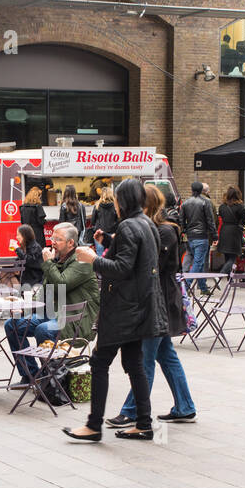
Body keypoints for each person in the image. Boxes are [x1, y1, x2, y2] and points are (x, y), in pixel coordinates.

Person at [64, 178, 165, 442]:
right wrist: (110, 240)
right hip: (140, 307)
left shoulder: (129, 225)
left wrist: (93, 259)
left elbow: (122, 268)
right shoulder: (146, 224)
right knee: (134, 364)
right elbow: (136, 259)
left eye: (118, 199)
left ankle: (93, 426)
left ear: (123, 201)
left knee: (99, 362)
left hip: (122, 310)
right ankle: (143, 423)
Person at [109, 184, 196, 426]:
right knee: (166, 355)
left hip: (160, 301)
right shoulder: (151, 228)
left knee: (143, 357)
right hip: (156, 299)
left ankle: (132, 411)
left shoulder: (165, 231)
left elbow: (148, 266)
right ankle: (185, 406)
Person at [5, 222, 98, 388]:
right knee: (12, 324)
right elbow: (44, 291)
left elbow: (62, 283)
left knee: (43, 330)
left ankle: (49, 381)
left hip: (75, 320)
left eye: (58, 239)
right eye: (52, 238)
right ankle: (31, 376)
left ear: (71, 243)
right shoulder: (58, 260)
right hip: (53, 314)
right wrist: (24, 309)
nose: (52, 242)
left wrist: (48, 263)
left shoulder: (82, 261)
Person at [180, 181, 216, 293]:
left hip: (190, 236)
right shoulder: (206, 202)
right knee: (198, 263)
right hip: (202, 236)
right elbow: (210, 220)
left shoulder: (185, 203)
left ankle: (203, 287)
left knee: (199, 262)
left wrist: (185, 230)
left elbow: (181, 221)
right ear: (201, 190)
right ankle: (186, 287)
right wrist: (215, 235)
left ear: (191, 190)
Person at [216, 187, 245, 273]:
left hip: (224, 232)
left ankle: (229, 279)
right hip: (234, 233)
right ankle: (220, 275)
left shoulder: (222, 207)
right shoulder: (239, 207)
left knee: (227, 257)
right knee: (233, 258)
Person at [90, 186, 119, 254]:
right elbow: (119, 220)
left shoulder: (97, 205)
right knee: (112, 254)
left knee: (100, 254)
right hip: (112, 233)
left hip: (99, 233)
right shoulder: (115, 206)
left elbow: (93, 221)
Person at [14, 224, 44, 288]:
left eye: (18, 235)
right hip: (24, 277)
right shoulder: (24, 246)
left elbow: (29, 261)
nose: (16, 237)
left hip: (33, 279)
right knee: (4, 274)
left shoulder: (35, 247)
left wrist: (17, 249)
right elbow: (18, 259)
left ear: (25, 235)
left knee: (7, 277)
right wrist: (16, 267)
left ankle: (17, 292)